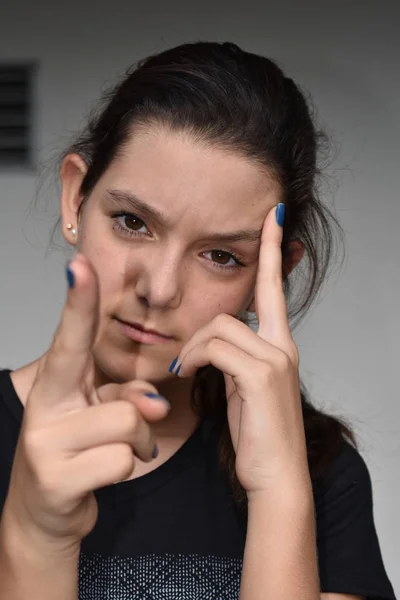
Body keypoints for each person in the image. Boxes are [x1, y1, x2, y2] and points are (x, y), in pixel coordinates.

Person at [0, 41, 396, 600]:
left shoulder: (320, 474)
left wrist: (280, 491)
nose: (159, 289)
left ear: (272, 276)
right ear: (75, 199)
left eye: (221, 256)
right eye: (132, 221)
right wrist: (35, 537)